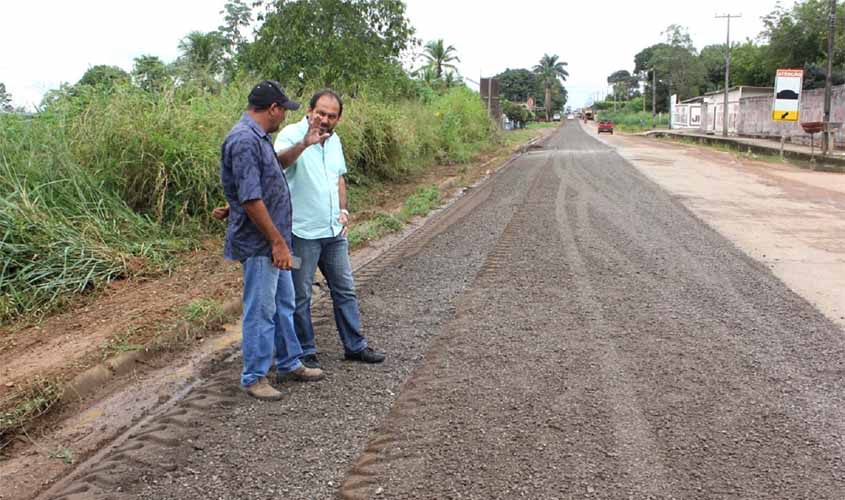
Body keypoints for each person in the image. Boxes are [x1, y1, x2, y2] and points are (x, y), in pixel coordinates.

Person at [219, 80, 324, 401]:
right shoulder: (244, 140)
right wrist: (277, 243)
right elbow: (251, 198)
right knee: (261, 309)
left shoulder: (258, 138)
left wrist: (304, 144)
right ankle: (255, 376)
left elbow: (270, 171)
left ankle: (289, 362)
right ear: (273, 108)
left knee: (283, 303)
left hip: (274, 241)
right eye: (284, 109)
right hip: (262, 244)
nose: (284, 116)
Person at [275, 89, 385, 368]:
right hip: (301, 233)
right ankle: (305, 351)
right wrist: (304, 143)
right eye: (320, 113)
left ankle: (355, 346)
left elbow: (338, 178)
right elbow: (276, 165)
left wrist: (343, 211)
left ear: (338, 119)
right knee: (301, 295)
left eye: (331, 116)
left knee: (345, 289)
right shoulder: (290, 134)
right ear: (310, 110)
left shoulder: (335, 141)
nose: (324, 120)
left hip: (333, 232)